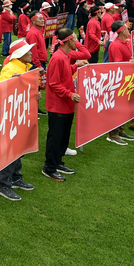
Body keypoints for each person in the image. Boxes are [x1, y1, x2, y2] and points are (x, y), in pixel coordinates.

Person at [0, 39, 37, 200]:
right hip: (11, 116)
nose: (31, 53)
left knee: (19, 148)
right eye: (28, 52)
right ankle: (3, 185)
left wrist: (34, 94)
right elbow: (4, 90)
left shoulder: (24, 67)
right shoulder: (11, 69)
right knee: (11, 149)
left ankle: (15, 177)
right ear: (20, 55)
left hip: (21, 114)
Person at [42, 28, 85, 182]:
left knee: (64, 136)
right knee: (56, 136)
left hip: (66, 104)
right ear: (68, 41)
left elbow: (64, 74)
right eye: (74, 39)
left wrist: (76, 66)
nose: (76, 42)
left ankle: (58, 162)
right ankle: (49, 167)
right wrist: (69, 94)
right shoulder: (58, 58)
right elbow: (53, 83)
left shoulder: (65, 56)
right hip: (58, 104)